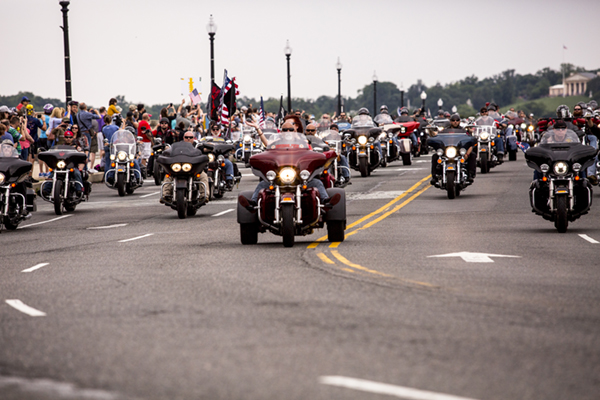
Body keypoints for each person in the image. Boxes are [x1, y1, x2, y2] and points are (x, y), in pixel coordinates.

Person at [241, 119, 334, 209]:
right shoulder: (275, 143)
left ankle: (325, 201)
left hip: (300, 178)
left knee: (317, 183)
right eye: (285, 130)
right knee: (262, 184)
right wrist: (258, 128)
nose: (288, 131)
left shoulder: (304, 143)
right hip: (278, 178)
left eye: (291, 129)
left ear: (295, 131)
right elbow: (267, 145)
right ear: (281, 131)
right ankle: (253, 203)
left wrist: (317, 156)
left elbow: (311, 153)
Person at [160, 131, 210, 204]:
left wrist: (209, 148)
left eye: (190, 137)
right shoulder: (177, 146)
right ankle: (165, 195)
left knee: (203, 176)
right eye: (186, 137)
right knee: (168, 175)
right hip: (178, 169)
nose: (188, 139)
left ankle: (204, 196)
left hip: (193, 170)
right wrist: (166, 150)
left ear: (194, 138)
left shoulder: (198, 146)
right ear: (183, 138)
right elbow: (170, 151)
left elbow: (205, 151)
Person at [430, 113, 476, 185]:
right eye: (453, 120)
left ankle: (470, 175)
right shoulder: (445, 130)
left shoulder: (463, 131)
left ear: (459, 121)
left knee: (472, 155)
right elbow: (436, 136)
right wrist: (430, 129)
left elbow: (470, 143)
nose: (455, 122)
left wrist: (467, 153)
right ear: (450, 121)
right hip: (447, 151)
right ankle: (434, 177)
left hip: (459, 151)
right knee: (435, 157)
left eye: (457, 120)